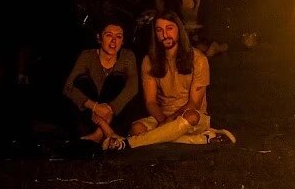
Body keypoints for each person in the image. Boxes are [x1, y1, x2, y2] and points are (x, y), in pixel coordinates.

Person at [103, 9, 234, 150]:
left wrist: (169, 122)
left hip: (192, 117)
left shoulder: (198, 59)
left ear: (179, 30)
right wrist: (164, 122)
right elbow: (151, 102)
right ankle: (203, 139)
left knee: (191, 117)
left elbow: (194, 103)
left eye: (169, 28)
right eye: (159, 30)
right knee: (136, 129)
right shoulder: (149, 60)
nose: (165, 34)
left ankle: (128, 143)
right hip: (161, 115)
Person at [61, 18, 139, 144]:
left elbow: (133, 87)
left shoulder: (127, 56)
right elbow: (68, 87)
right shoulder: (87, 55)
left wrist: (110, 108)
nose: (114, 40)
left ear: (122, 41)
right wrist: (95, 107)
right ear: (99, 38)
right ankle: (105, 132)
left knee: (117, 79)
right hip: (90, 116)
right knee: (82, 80)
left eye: (118, 36)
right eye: (109, 35)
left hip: (116, 117)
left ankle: (99, 134)